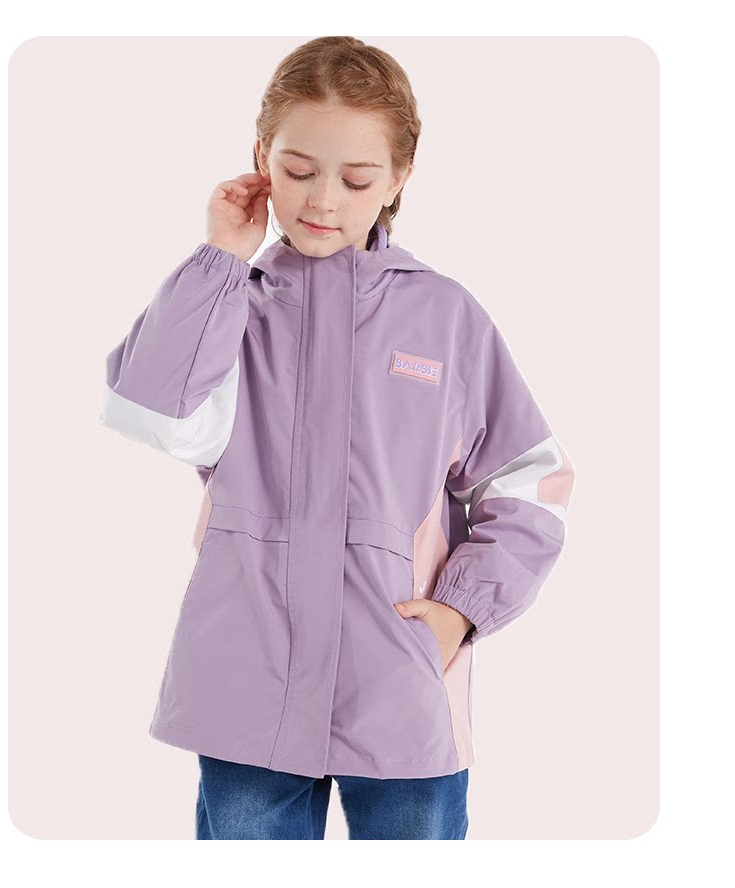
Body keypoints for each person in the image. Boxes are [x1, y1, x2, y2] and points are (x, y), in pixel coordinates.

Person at [99, 36, 575, 840]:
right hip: (246, 677)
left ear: (399, 177)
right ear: (261, 156)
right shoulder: (231, 303)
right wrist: (221, 256)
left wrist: (461, 611)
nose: (323, 200)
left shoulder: (445, 317)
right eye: (297, 170)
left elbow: (529, 480)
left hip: (399, 680)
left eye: (356, 180)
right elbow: (154, 414)